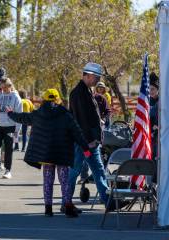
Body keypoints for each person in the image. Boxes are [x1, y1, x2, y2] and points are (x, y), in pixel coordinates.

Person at [7, 89, 91, 217]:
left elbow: (23, 118)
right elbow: (77, 132)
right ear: (58, 99)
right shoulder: (65, 114)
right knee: (64, 181)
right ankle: (68, 206)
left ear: (44, 99)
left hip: (45, 154)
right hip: (61, 154)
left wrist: (10, 113)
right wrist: (86, 149)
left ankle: (48, 209)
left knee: (48, 180)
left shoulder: (38, 113)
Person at [67, 62, 128, 211]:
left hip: (89, 141)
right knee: (75, 171)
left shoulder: (86, 91)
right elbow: (82, 120)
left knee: (99, 170)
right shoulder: (79, 93)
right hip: (84, 142)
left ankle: (108, 201)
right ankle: (66, 202)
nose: (97, 80)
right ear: (87, 75)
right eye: (95, 77)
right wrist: (89, 141)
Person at [0, 78, 22, 179]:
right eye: (1, 87)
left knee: (8, 149)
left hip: (10, 126)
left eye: (4, 87)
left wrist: (17, 129)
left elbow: (19, 114)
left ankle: (8, 170)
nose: (2, 89)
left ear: (9, 86)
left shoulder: (16, 97)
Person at [149, 72, 159, 181]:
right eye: (149, 89)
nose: (151, 91)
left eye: (153, 89)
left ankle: (155, 182)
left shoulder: (161, 101)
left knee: (156, 158)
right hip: (148, 133)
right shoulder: (147, 101)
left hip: (157, 135)